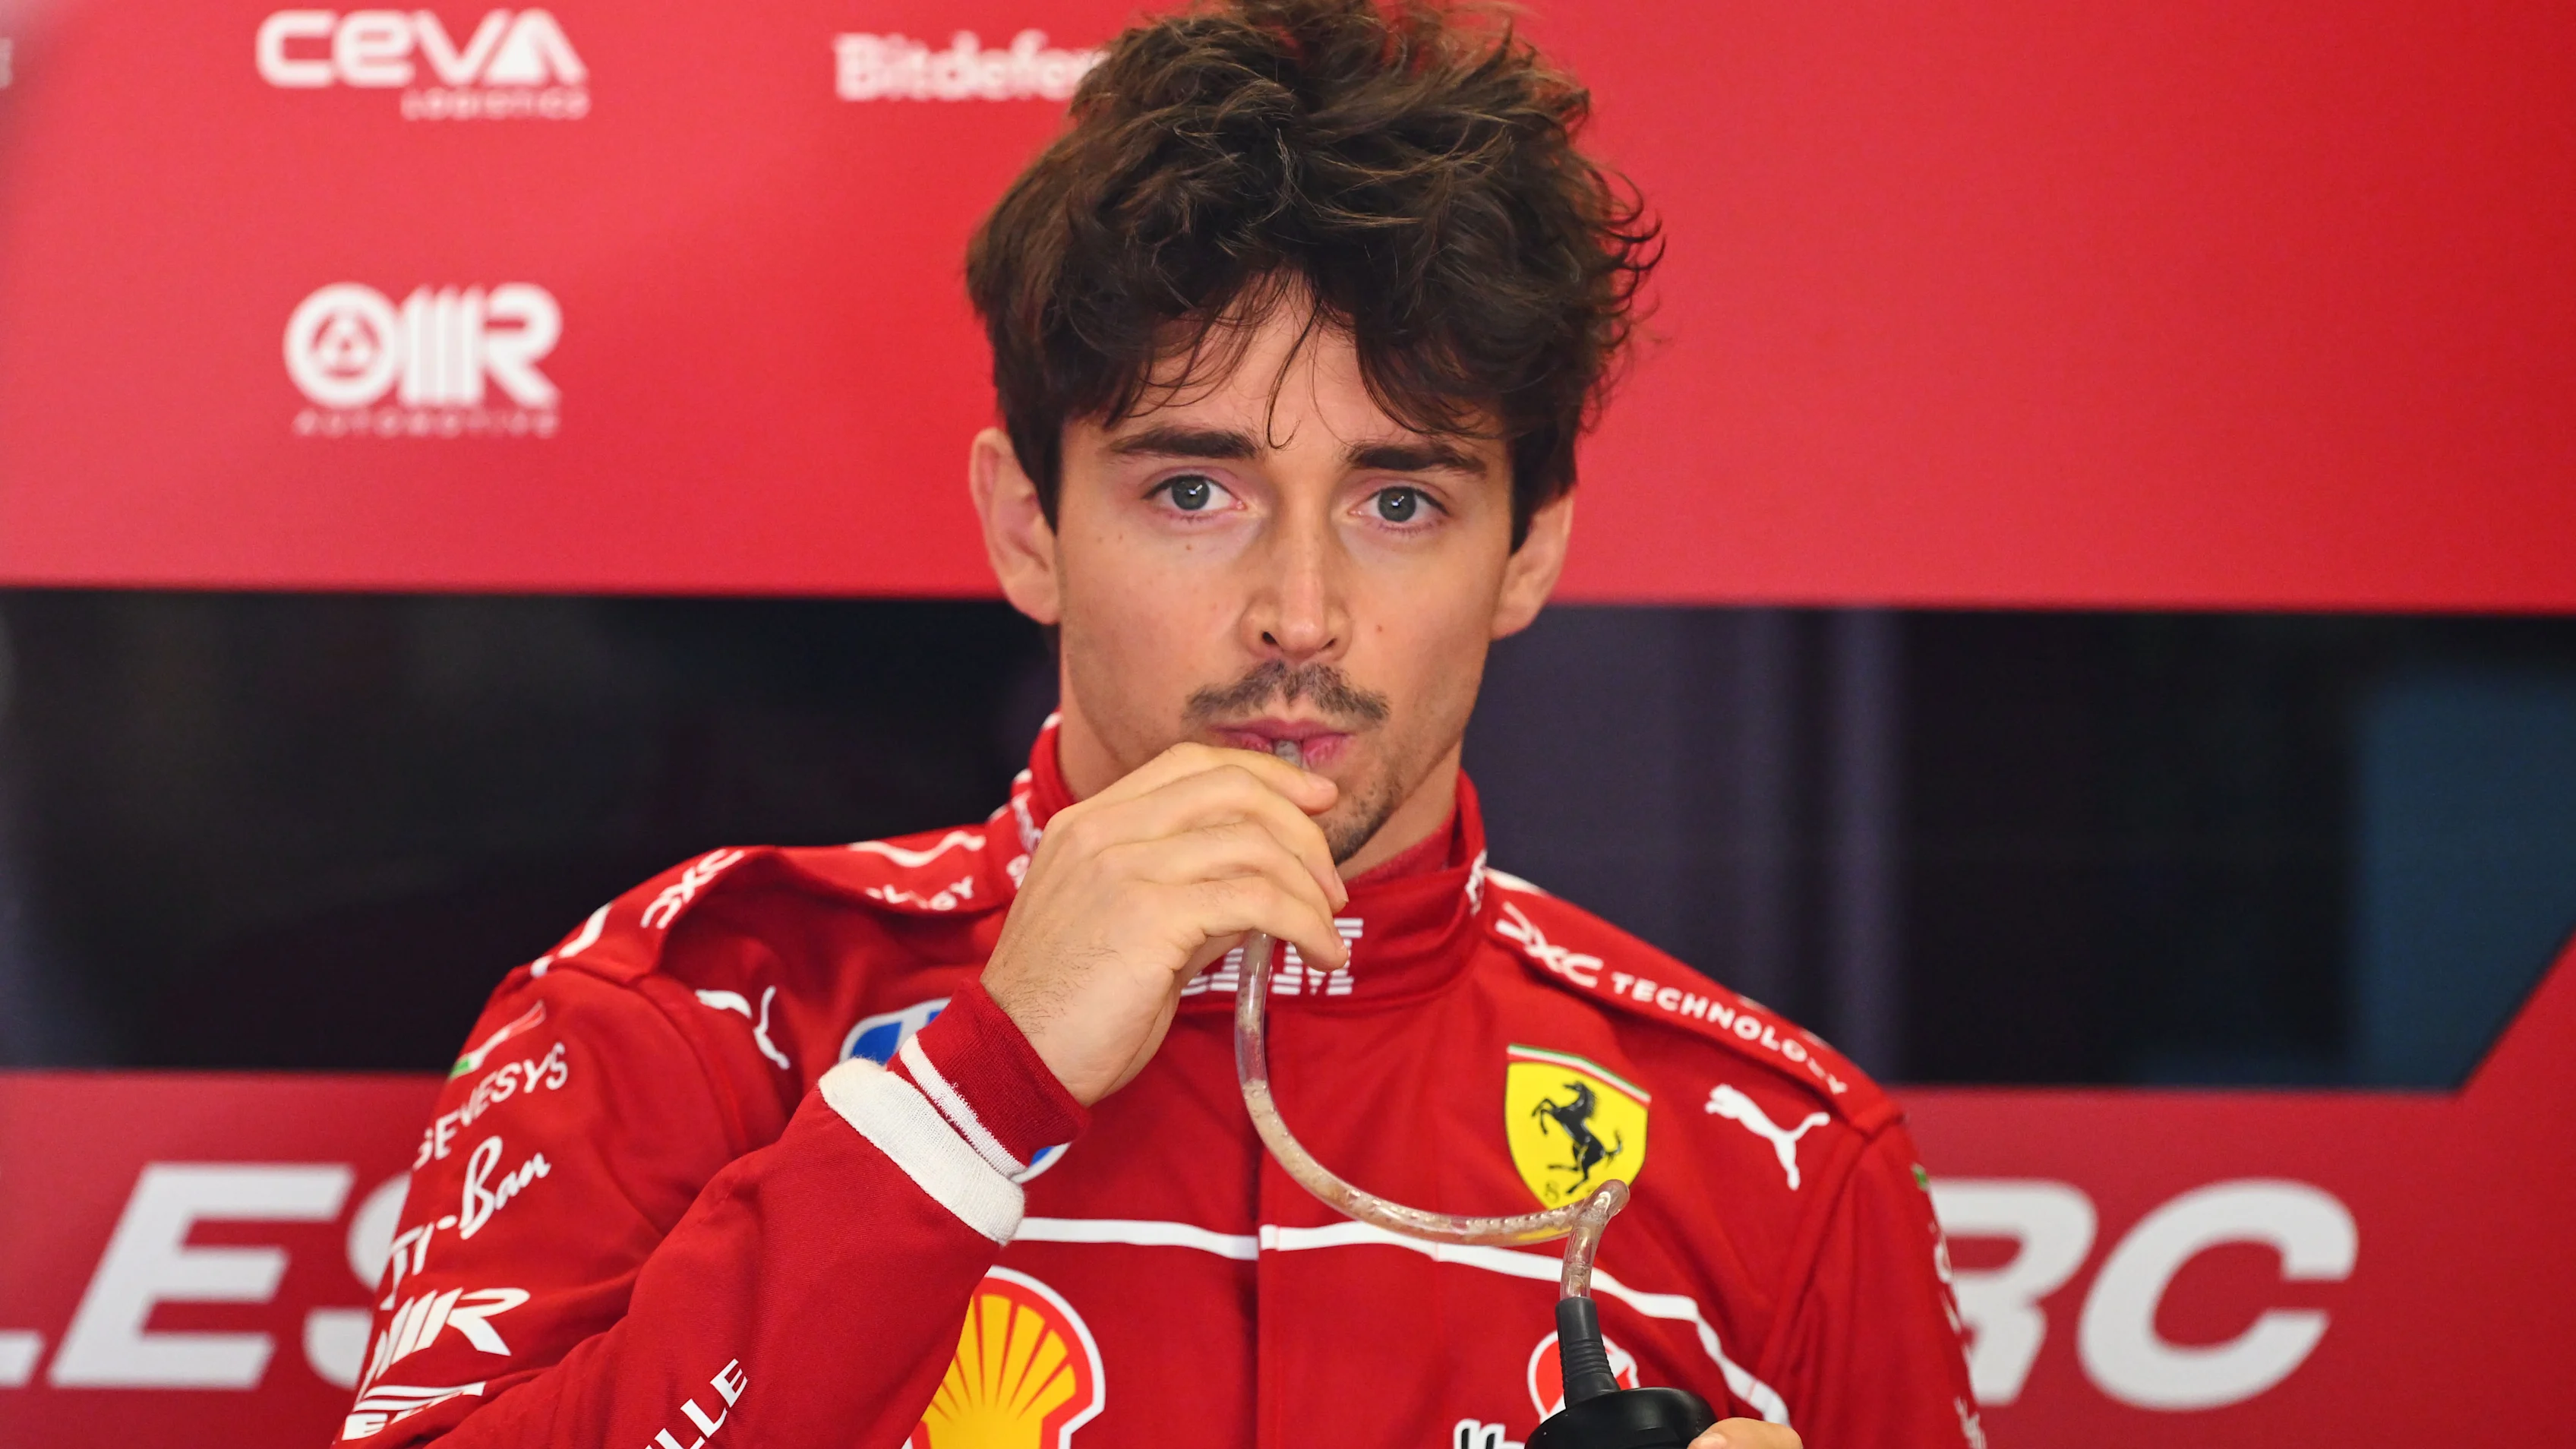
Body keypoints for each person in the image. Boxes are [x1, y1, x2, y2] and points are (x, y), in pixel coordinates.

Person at [336, 1, 1978, 1444]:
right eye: (1195, 488)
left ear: (1530, 545)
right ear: (1027, 526)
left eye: (1400, 500)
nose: (1301, 613)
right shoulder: (685, 1024)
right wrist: (971, 1096)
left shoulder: (1776, 1159)